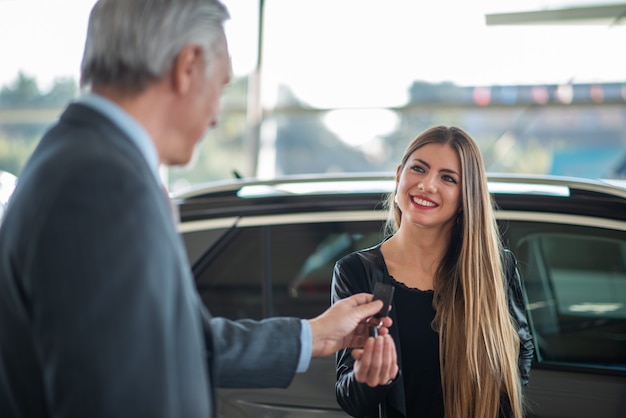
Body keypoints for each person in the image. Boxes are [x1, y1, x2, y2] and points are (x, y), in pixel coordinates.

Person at [0, 1, 396, 417]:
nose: (215, 116)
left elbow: (177, 343)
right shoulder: (102, 184)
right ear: (187, 66)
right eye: (221, 86)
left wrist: (314, 336)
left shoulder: (79, 159)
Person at [332, 125, 535, 418]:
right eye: (418, 169)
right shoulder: (356, 273)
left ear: (467, 196)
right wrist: (369, 377)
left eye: (448, 178)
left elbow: (520, 354)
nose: (427, 185)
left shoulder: (495, 267)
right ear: (399, 174)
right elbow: (351, 400)